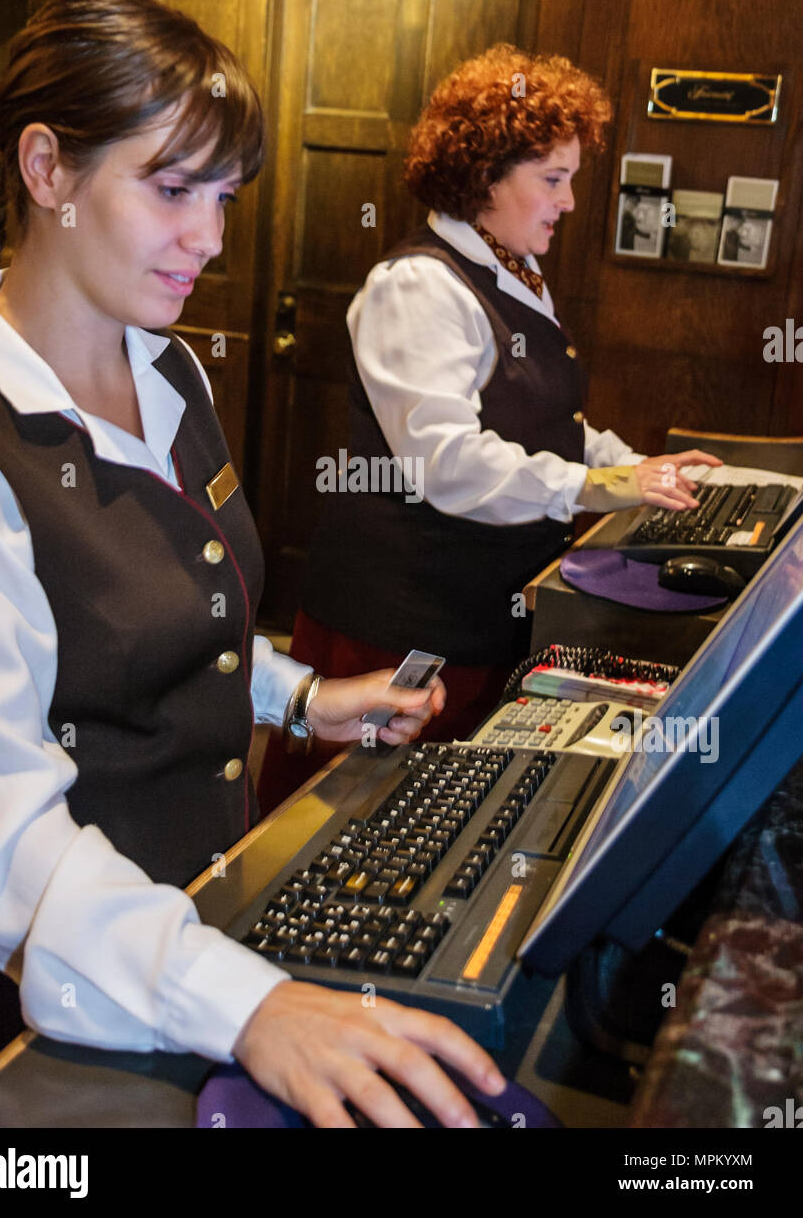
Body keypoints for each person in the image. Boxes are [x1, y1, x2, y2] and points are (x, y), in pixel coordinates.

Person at [0, 0, 509, 1126]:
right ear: (46, 170)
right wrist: (251, 1009)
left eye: (224, 197)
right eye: (170, 189)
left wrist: (299, 695)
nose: (209, 237)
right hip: (34, 1028)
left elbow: (153, 622)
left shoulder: (173, 372)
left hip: (196, 933)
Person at [258, 44, 720, 813]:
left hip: (476, 612)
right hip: (397, 616)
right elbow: (449, 461)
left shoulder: (512, 273)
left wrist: (640, 468)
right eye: (553, 180)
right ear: (484, 176)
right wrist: (604, 486)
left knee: (424, 820)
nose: (569, 202)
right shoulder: (416, 285)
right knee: (339, 820)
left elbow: (549, 422)